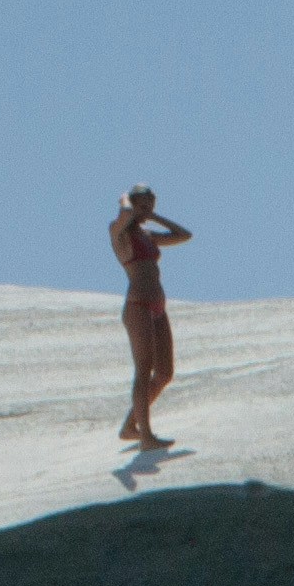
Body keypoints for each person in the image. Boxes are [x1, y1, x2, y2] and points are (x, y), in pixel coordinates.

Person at [110, 185, 193, 447]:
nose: (147, 209)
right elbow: (124, 213)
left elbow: (184, 235)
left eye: (151, 204)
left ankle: (129, 425)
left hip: (157, 306)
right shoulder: (119, 231)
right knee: (144, 369)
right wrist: (126, 200)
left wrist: (153, 216)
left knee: (165, 372)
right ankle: (145, 435)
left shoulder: (148, 235)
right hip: (138, 305)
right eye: (143, 204)